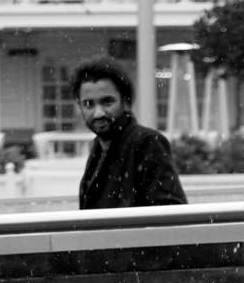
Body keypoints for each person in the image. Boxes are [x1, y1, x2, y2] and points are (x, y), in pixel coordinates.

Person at [72, 57, 187, 210]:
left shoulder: (147, 142)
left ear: (125, 102)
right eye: (88, 104)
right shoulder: (99, 146)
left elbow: (172, 213)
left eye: (107, 102)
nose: (98, 113)